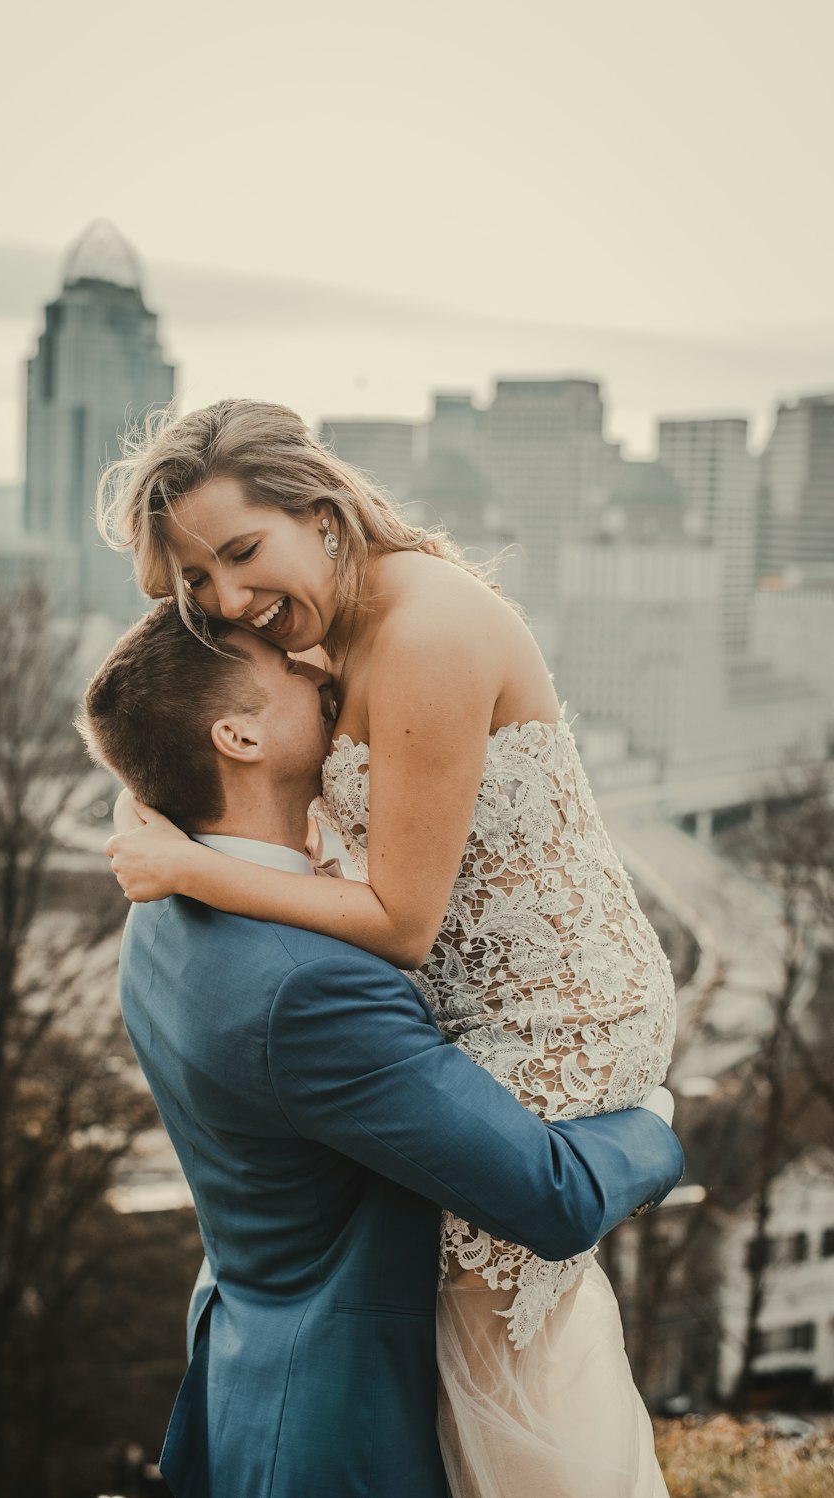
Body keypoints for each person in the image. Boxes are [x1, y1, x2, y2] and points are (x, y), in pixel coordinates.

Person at [98, 399, 679, 1496]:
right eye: (199, 579)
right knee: (419, 1290)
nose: (229, 601)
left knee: (484, 1315)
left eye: (241, 553)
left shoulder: (420, 634)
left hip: (554, 1004)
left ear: (318, 509)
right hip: (450, 1000)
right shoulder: (322, 629)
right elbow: (236, 747)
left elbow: (403, 922)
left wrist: (191, 868)